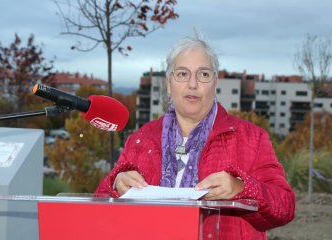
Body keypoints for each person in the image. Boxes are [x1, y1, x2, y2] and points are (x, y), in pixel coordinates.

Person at [95, 35, 295, 239]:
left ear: (215, 82)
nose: (193, 84)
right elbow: (99, 207)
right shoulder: (141, 139)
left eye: (203, 74)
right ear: (169, 84)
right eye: (182, 74)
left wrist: (242, 188)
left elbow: (284, 208)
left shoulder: (251, 137)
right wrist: (116, 185)